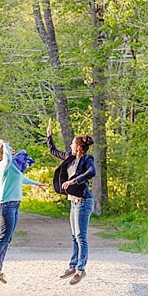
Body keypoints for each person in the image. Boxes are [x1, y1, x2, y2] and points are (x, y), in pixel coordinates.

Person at [0, 139, 46, 284]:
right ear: (3, 153)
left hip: (15, 205)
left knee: (7, 239)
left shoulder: (13, 168)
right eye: (9, 150)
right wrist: (4, 143)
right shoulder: (3, 166)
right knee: (3, 237)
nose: (13, 151)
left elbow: (21, 178)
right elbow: (8, 158)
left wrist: (36, 184)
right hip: (5, 205)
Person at [46, 120, 96, 285]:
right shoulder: (70, 157)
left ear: (79, 147)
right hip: (73, 202)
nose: (70, 145)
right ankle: (73, 266)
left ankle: (81, 270)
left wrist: (74, 182)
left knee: (81, 237)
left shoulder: (87, 159)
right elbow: (54, 151)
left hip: (83, 202)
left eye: (72, 144)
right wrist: (49, 136)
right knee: (74, 236)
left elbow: (92, 172)